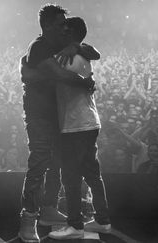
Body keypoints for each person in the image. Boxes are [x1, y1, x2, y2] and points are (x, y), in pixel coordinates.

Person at [18, 4, 95, 242]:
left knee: (56, 163)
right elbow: (59, 74)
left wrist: (75, 45)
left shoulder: (59, 45)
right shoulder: (39, 46)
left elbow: (93, 52)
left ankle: (48, 209)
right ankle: (28, 220)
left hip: (58, 114)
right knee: (40, 162)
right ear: (48, 25)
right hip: (39, 115)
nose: (65, 27)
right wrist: (84, 82)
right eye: (61, 23)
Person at [46, 16, 111, 240]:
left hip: (76, 125)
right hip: (88, 121)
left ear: (71, 33)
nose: (60, 33)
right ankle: (103, 221)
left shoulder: (66, 56)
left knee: (71, 175)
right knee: (93, 174)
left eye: (65, 30)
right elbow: (92, 53)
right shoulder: (80, 52)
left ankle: (76, 225)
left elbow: (53, 73)